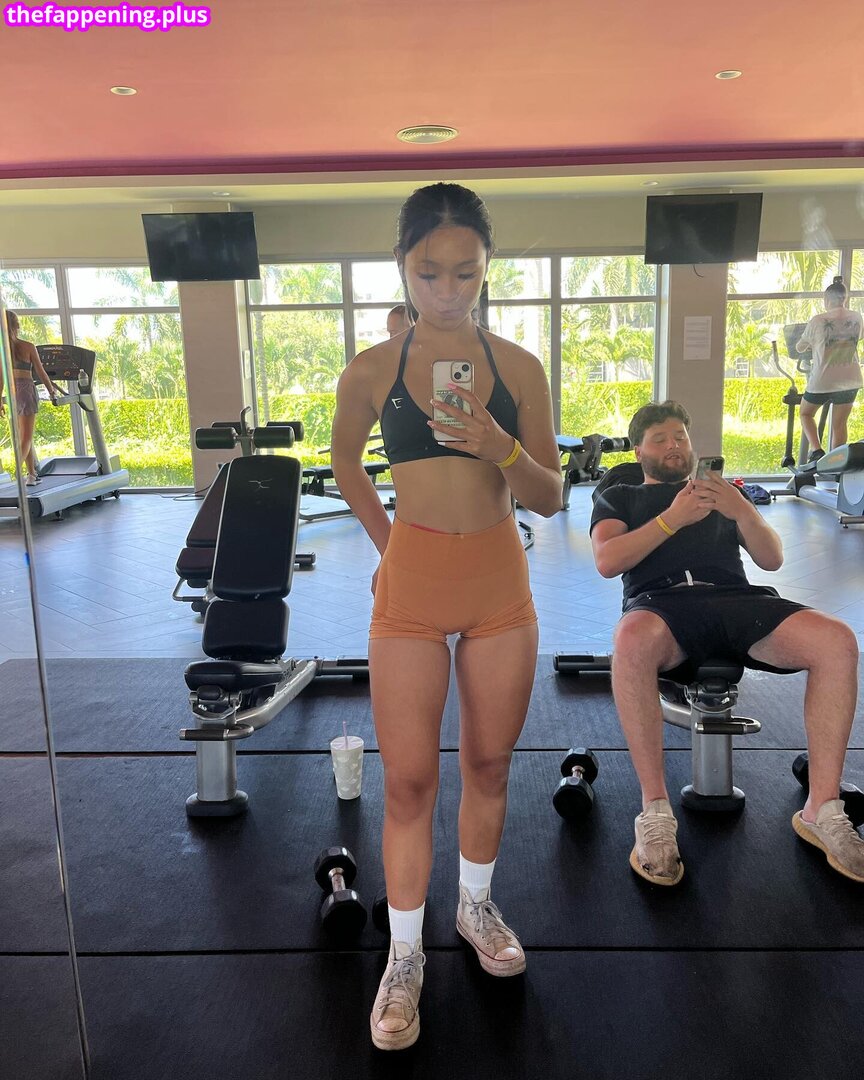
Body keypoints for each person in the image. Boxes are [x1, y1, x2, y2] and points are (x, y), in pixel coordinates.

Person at [331, 183, 562, 1051]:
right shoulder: (370, 370)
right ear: (403, 264)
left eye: (466, 272)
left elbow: (551, 496)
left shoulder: (520, 368)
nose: (448, 290)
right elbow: (345, 463)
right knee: (409, 781)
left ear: (487, 267)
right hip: (413, 589)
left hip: (499, 584)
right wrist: (389, 543)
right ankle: (403, 955)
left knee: (490, 763)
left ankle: (474, 904)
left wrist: (499, 447)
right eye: (430, 272)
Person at [590, 399, 862, 888]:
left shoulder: (723, 494)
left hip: (738, 600)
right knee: (629, 639)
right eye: (660, 439)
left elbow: (772, 559)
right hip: (661, 605)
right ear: (638, 450)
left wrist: (743, 511)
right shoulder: (621, 497)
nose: (674, 446)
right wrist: (672, 519)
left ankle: (822, 809)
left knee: (837, 641)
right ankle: (655, 811)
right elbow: (608, 561)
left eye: (680, 436)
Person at [795, 276, 863, 460]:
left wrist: (810, 345)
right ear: (845, 298)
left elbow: (800, 347)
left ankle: (816, 449)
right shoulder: (857, 317)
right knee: (839, 425)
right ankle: (835, 464)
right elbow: (857, 338)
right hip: (850, 380)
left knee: (806, 413)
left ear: (826, 299)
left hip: (823, 380)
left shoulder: (817, 320)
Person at [0, 311, 60, 485]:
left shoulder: (2, 350)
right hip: (26, 390)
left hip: (12, 393)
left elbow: (1, 378)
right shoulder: (28, 346)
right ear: (16, 326)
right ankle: (17, 470)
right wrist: (52, 392)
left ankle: (32, 475)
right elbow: (41, 373)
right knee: (26, 437)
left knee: (24, 436)